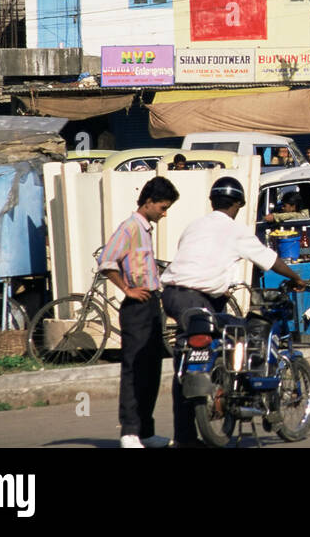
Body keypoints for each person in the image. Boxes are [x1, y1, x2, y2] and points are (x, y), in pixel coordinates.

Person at [161, 176, 305, 448]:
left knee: (187, 362)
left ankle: (186, 436)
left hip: (172, 296)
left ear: (212, 201)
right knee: (237, 335)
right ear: (238, 203)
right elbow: (270, 260)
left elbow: (198, 260)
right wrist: (296, 277)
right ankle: (230, 394)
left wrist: (220, 285)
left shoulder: (194, 226)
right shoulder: (236, 230)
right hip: (195, 299)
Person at [98, 176, 180, 449]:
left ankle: (145, 430)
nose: (164, 213)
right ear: (149, 202)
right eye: (163, 207)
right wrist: (127, 289)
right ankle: (129, 432)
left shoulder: (145, 229)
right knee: (134, 368)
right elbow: (107, 260)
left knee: (152, 368)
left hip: (152, 304)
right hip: (137, 307)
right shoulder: (130, 227)